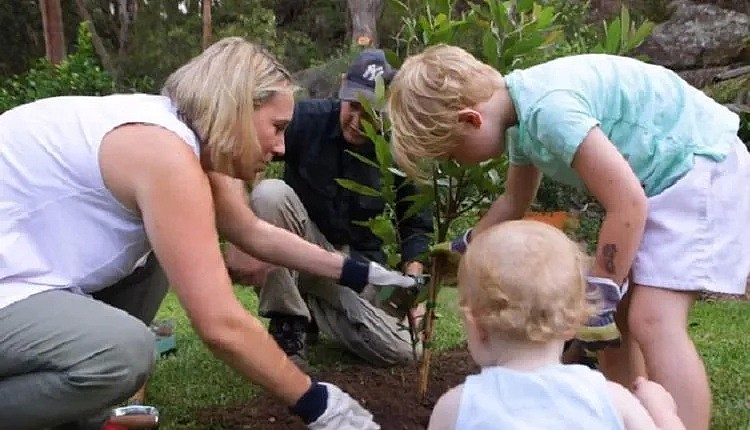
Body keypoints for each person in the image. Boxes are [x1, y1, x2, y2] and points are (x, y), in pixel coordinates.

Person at [0, 37, 416, 429]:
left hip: (23, 272)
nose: (281, 147)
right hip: (12, 285)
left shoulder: (172, 134)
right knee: (123, 353)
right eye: (276, 127)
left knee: (154, 261)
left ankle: (79, 410)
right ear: (236, 108)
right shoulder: (164, 157)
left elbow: (252, 232)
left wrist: (362, 275)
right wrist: (321, 406)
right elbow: (220, 324)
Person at [386, 44, 750, 430]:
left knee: (653, 320)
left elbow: (627, 203)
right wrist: (465, 249)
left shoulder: (549, 110)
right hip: (660, 183)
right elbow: (513, 201)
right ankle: (627, 420)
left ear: (470, 120)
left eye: (452, 155)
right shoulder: (522, 120)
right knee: (615, 328)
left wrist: (601, 289)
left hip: (700, 166)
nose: (456, 163)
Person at [223, 48, 433, 368]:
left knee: (406, 350)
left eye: (370, 112)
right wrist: (243, 229)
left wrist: (412, 289)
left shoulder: (399, 149)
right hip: (301, 252)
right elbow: (241, 150)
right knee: (270, 194)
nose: (358, 121)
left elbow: (415, 224)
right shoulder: (305, 120)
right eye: (352, 107)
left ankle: (313, 310)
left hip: (359, 269)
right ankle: (288, 324)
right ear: (342, 90)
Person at [427, 220, 686, 430]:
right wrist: (661, 411)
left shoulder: (456, 408)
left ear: (476, 326)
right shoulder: (611, 399)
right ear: (575, 320)